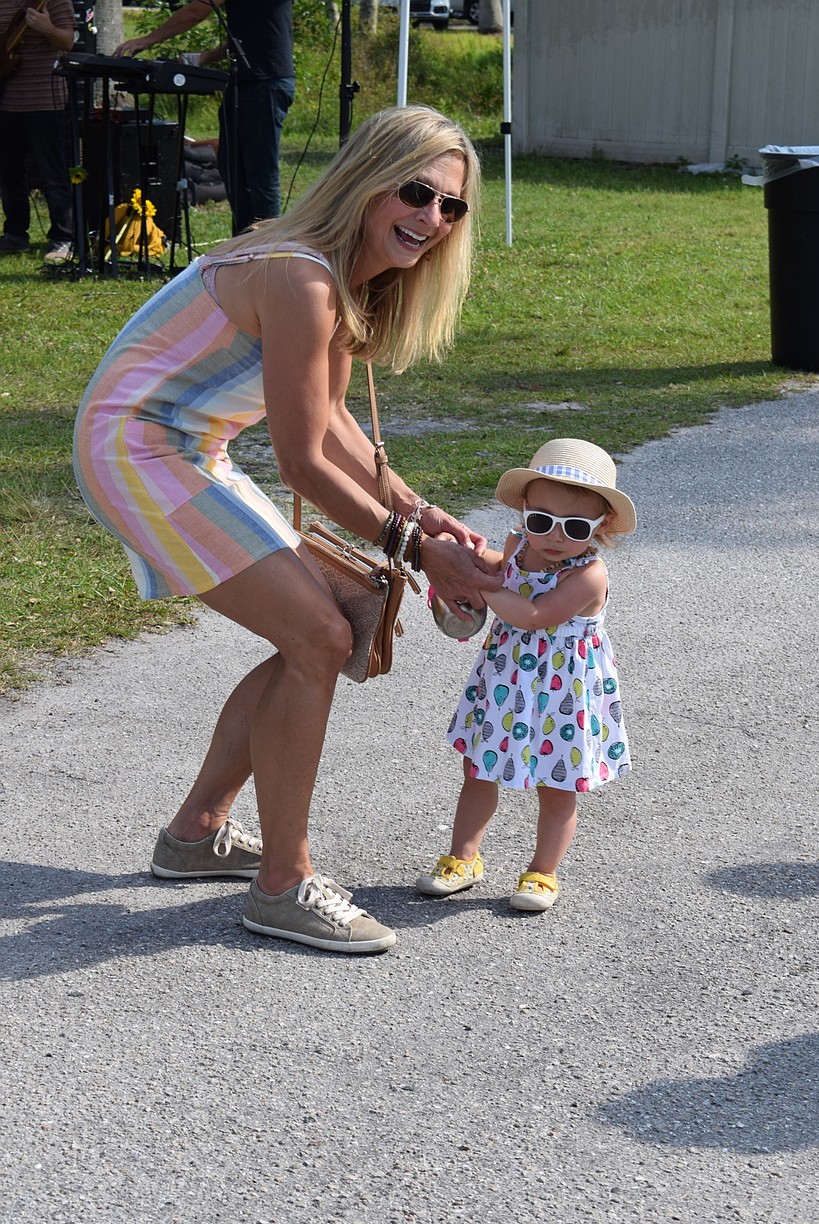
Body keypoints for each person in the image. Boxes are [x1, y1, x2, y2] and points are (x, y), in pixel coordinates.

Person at [73, 104, 500, 954]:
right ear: (371, 181)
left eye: (451, 206)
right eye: (417, 192)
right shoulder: (302, 274)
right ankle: (283, 882)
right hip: (138, 444)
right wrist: (417, 551)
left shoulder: (338, 275)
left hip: (186, 443)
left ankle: (197, 833)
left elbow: (334, 420)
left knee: (317, 631)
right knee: (317, 633)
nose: (432, 219)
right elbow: (304, 462)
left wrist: (421, 515)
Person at [416, 438, 636, 913]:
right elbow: (505, 570)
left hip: (564, 689)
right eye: (541, 521)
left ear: (603, 526)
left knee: (558, 784)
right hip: (508, 678)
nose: (554, 537)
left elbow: (534, 615)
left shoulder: (588, 575)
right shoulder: (519, 544)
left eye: (574, 526)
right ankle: (463, 857)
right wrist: (471, 558)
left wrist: (480, 585)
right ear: (525, 511)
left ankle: (542, 872)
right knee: (478, 768)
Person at [115, 0, 294, 234]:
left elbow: (197, 11)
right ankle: (242, 245)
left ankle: (266, 251)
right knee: (233, 170)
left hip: (265, 82)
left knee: (260, 175)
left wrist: (146, 40)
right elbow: (245, 38)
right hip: (243, 83)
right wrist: (204, 58)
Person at [0, 0, 75, 263]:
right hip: (5, 99)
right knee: (9, 175)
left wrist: (47, 28)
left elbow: (67, 42)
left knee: (52, 175)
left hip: (44, 100)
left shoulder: (51, 1)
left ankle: (63, 238)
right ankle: (15, 235)